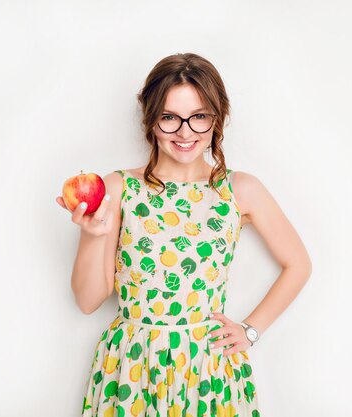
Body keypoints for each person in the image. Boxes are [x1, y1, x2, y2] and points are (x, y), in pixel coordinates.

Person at [56, 52, 312, 417]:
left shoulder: (241, 190)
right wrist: (95, 235)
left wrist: (250, 331)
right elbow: (87, 301)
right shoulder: (118, 187)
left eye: (199, 117)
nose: (185, 132)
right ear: (151, 118)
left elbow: (298, 264)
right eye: (170, 118)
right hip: (131, 366)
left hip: (208, 368)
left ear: (216, 118)